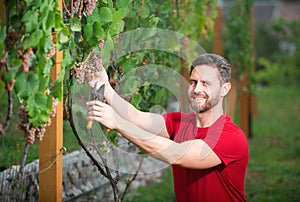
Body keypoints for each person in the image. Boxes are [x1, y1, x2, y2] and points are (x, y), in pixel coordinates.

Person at [86, 53, 249, 201]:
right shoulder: (180, 122)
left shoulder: (230, 136)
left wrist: (118, 123)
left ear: (224, 89)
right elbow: (137, 117)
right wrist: (105, 87)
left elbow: (176, 154)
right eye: (193, 82)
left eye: (206, 83)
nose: (197, 89)